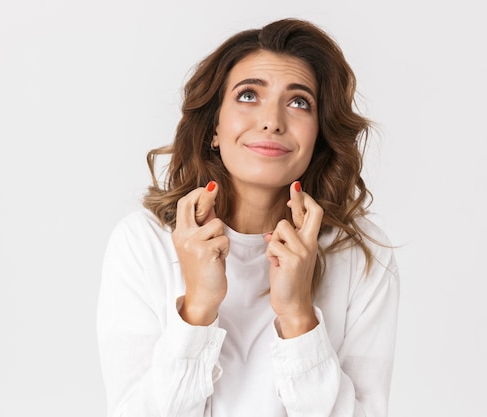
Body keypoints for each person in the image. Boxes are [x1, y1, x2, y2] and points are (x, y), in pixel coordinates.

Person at [97, 17, 399, 417]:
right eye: (248, 95)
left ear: (319, 135)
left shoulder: (360, 258)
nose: (272, 120)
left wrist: (298, 316)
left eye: (299, 102)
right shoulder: (142, 243)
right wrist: (198, 309)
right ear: (214, 128)